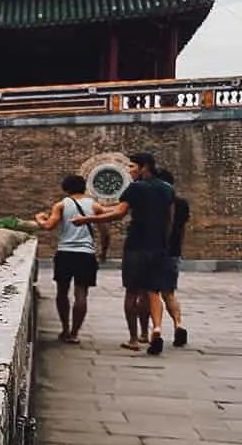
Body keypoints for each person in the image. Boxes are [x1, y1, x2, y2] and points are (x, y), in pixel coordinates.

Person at [73, 152, 174, 355]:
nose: (130, 170)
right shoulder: (167, 189)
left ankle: (134, 339)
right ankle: (151, 331)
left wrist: (86, 220)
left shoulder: (136, 188)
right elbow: (169, 220)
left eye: (132, 167)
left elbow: (119, 213)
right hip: (159, 247)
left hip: (136, 246)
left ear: (144, 167)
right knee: (150, 291)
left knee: (132, 292)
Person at [33, 174, 110, 344]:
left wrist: (39, 218)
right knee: (81, 293)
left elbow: (48, 226)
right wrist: (103, 253)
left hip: (65, 253)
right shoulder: (95, 206)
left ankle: (65, 329)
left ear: (66, 188)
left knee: (62, 292)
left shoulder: (61, 205)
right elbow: (105, 233)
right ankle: (75, 333)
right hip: (86, 254)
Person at [156, 168, 190, 347]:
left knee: (152, 292)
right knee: (169, 293)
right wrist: (179, 249)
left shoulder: (157, 201)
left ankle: (156, 329)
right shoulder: (182, 203)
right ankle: (178, 324)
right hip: (174, 252)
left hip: (155, 249)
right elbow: (182, 229)